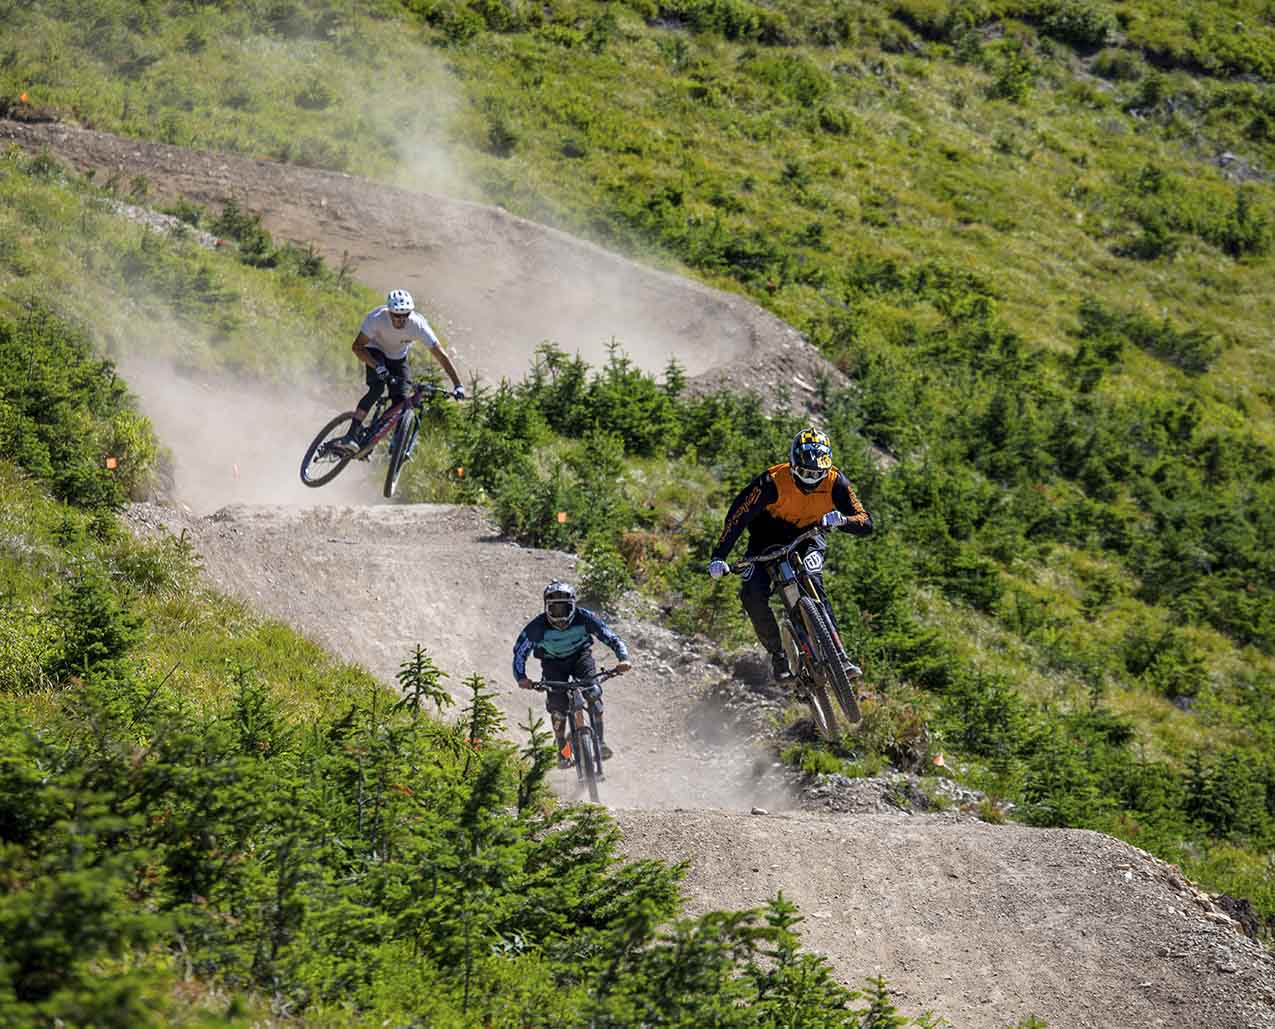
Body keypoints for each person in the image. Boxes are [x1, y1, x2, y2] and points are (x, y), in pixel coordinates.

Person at [707, 427, 873, 682]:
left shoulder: (836, 482)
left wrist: (843, 520)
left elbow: (866, 522)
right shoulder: (772, 481)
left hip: (808, 536)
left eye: (818, 474)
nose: (811, 480)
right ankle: (778, 655)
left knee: (813, 578)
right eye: (805, 473)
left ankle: (840, 656)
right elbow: (738, 516)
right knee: (752, 594)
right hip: (765, 540)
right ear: (793, 465)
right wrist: (719, 556)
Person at [514, 581, 632, 768]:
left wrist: (623, 658)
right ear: (547, 608)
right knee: (558, 708)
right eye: (555, 609)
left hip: (580, 657)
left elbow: (610, 636)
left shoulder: (585, 618)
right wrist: (521, 677)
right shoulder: (537, 627)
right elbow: (520, 652)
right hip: (552, 663)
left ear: (573, 607)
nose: (560, 615)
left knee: (593, 692)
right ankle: (563, 751)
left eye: (564, 608)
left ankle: (600, 743)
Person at [334, 288, 465, 451]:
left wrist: (458, 385)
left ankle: (383, 442)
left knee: (402, 400)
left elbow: (441, 356)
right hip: (375, 351)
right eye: (397, 315)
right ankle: (351, 435)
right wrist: (377, 366)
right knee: (377, 388)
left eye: (406, 315)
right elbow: (357, 347)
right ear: (389, 312)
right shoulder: (376, 318)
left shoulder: (418, 324)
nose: (401, 319)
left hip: (397, 358)